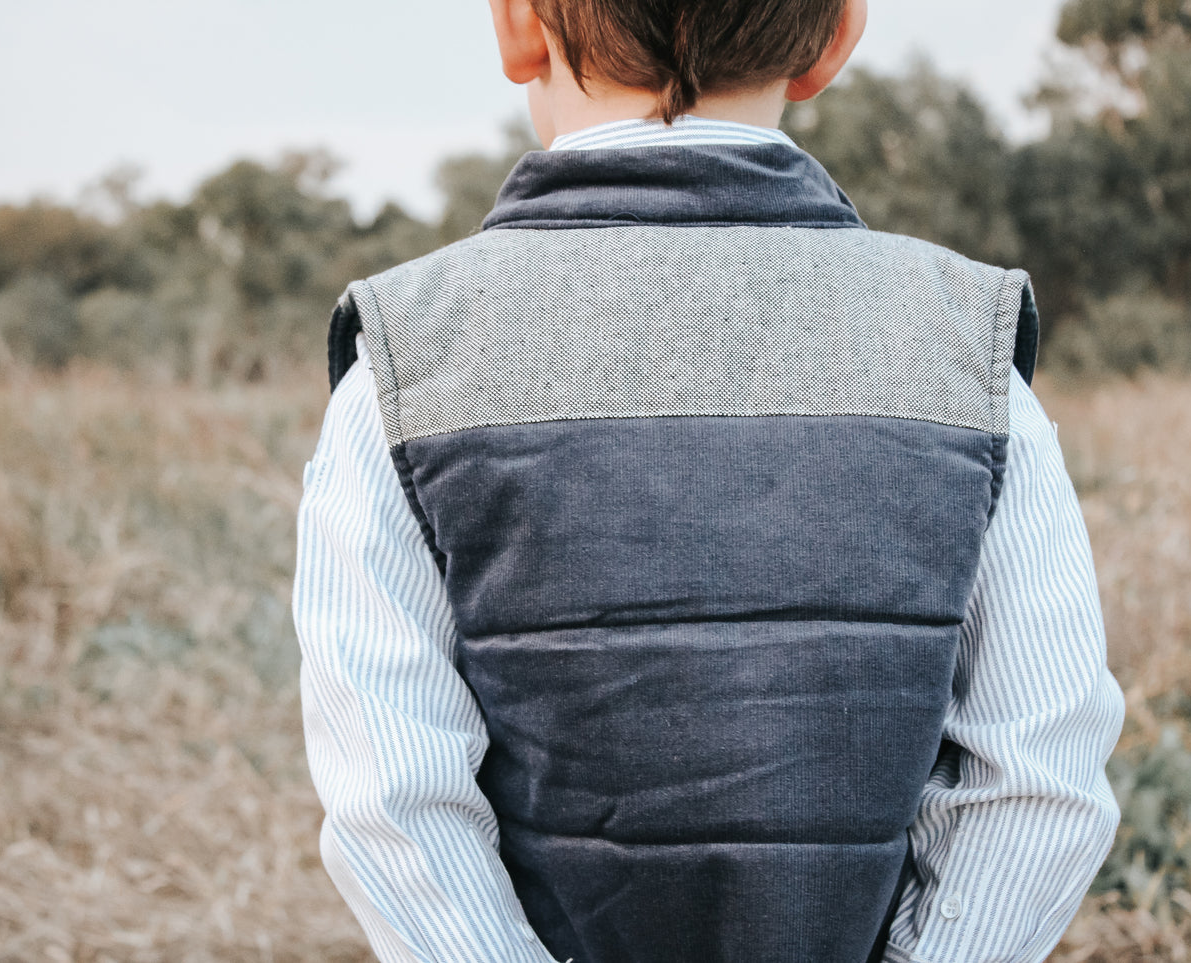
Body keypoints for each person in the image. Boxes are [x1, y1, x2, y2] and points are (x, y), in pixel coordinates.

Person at [293, 0, 1126, 959]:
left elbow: (392, 803)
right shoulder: (960, 348)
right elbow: (1042, 774)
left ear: (517, 26)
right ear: (833, 38)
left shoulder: (405, 366)